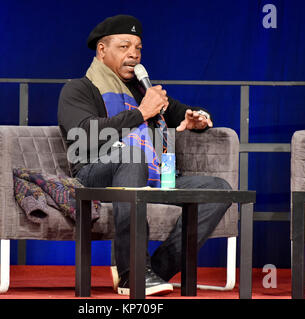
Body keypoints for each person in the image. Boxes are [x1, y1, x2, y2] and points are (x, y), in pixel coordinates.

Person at [58, 14, 232, 296]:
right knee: (132, 156)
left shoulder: (145, 90)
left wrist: (196, 119)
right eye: (124, 47)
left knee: (218, 189)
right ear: (102, 50)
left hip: (151, 175)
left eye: (138, 48)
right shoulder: (79, 89)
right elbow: (84, 136)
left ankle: (155, 269)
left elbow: (188, 113)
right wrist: (140, 113)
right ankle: (132, 273)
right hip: (95, 175)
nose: (133, 55)